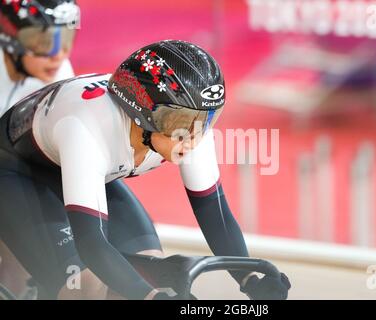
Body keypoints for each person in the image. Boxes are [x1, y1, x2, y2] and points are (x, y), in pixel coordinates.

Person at [0, 39, 291, 299]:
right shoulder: (87, 129)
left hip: (74, 164)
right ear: (142, 114)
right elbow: (92, 243)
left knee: (153, 271)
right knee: (84, 288)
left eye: (207, 119)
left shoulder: (190, 123)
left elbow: (216, 216)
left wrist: (250, 278)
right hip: (14, 170)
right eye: (179, 123)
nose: (191, 137)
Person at [0, 0, 80, 297]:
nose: (58, 53)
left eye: (66, 39)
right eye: (43, 41)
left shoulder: (58, 68)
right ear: (10, 37)